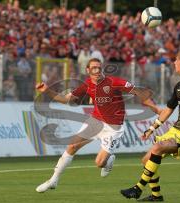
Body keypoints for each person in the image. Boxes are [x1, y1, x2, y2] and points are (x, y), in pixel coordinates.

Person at [35, 58, 161, 193]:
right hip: (95, 122)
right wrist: (47, 90)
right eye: (93, 68)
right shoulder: (87, 84)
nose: (97, 70)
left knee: (99, 163)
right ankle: (53, 180)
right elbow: (66, 99)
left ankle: (109, 160)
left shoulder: (114, 82)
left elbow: (139, 92)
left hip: (113, 128)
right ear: (88, 70)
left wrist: (156, 109)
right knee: (72, 146)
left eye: (99, 67)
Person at [120, 51, 180, 202]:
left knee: (157, 147)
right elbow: (168, 110)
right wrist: (152, 128)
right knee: (146, 160)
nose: (174, 63)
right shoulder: (179, 86)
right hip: (176, 131)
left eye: (176, 60)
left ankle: (137, 188)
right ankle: (156, 195)